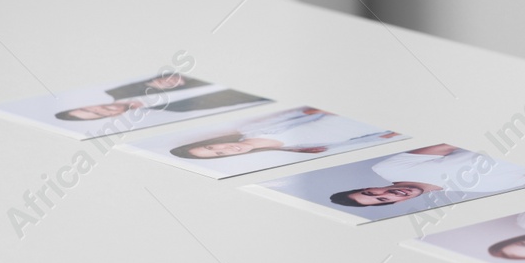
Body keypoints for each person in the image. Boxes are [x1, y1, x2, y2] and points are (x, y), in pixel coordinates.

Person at [329, 144, 525, 207]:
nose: (386, 194)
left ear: (367, 185)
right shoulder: (479, 189)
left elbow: (444, 145)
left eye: (371, 192)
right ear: (397, 202)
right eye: (383, 200)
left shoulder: (389, 169)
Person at [169, 107, 399, 159]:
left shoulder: (252, 129)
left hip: (351, 111)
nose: (224, 149)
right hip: (377, 128)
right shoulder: (291, 152)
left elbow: (307, 112)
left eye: (212, 147)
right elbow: (346, 146)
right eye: (219, 154)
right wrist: (383, 137)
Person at [54, 88, 263, 122]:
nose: (99, 110)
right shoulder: (175, 109)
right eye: (97, 115)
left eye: (89, 108)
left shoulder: (122, 89)